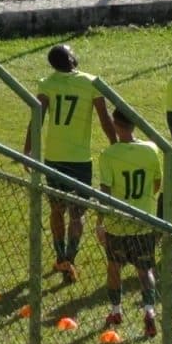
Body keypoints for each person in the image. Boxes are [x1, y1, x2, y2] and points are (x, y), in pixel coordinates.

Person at [23, 44, 116, 283]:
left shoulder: (47, 83)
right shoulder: (91, 82)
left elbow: (37, 117)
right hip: (80, 161)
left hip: (54, 158)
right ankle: (70, 259)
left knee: (57, 209)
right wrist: (115, 143)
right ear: (72, 59)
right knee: (77, 214)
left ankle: (60, 255)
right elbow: (105, 119)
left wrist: (28, 147)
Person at [95, 108, 162, 337]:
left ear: (115, 125)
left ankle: (116, 311)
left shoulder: (108, 155)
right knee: (145, 270)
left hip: (117, 224)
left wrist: (100, 222)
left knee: (114, 267)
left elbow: (105, 191)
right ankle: (150, 312)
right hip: (143, 221)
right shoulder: (151, 150)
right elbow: (156, 183)